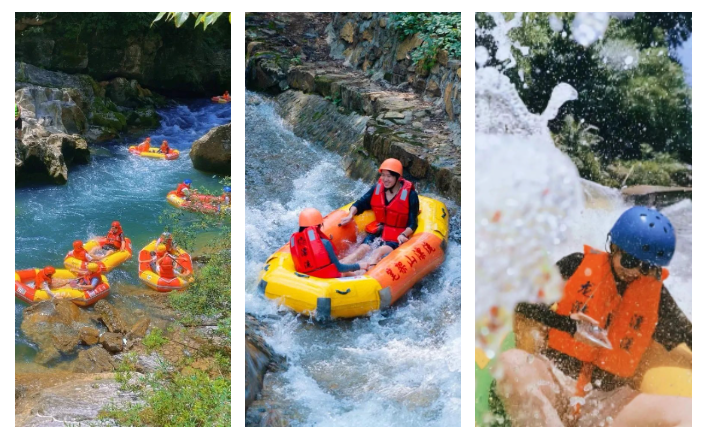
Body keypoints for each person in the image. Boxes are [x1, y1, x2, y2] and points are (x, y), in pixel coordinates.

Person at [495, 206, 692, 427]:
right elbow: (524, 305)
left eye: (645, 267)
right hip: (554, 377)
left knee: (691, 413)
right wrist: (571, 326)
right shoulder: (576, 265)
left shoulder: (657, 298)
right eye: (628, 261)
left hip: (611, 401)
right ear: (614, 247)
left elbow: (689, 335)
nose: (635, 271)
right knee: (510, 361)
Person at [339, 158, 420, 266]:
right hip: (378, 230)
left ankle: (365, 276)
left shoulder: (410, 195)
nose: (385, 179)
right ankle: (340, 268)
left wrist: (403, 234)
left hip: (396, 235)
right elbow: (360, 203)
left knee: (378, 252)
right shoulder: (377, 188)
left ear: (397, 177)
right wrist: (350, 215)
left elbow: (412, 223)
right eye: (383, 175)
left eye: (389, 176)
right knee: (361, 250)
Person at [290, 208, 368, 278]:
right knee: (347, 272)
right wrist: (359, 266)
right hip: (326, 277)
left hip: (309, 277)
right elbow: (339, 268)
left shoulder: (295, 243)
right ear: (319, 225)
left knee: (343, 263)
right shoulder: (325, 243)